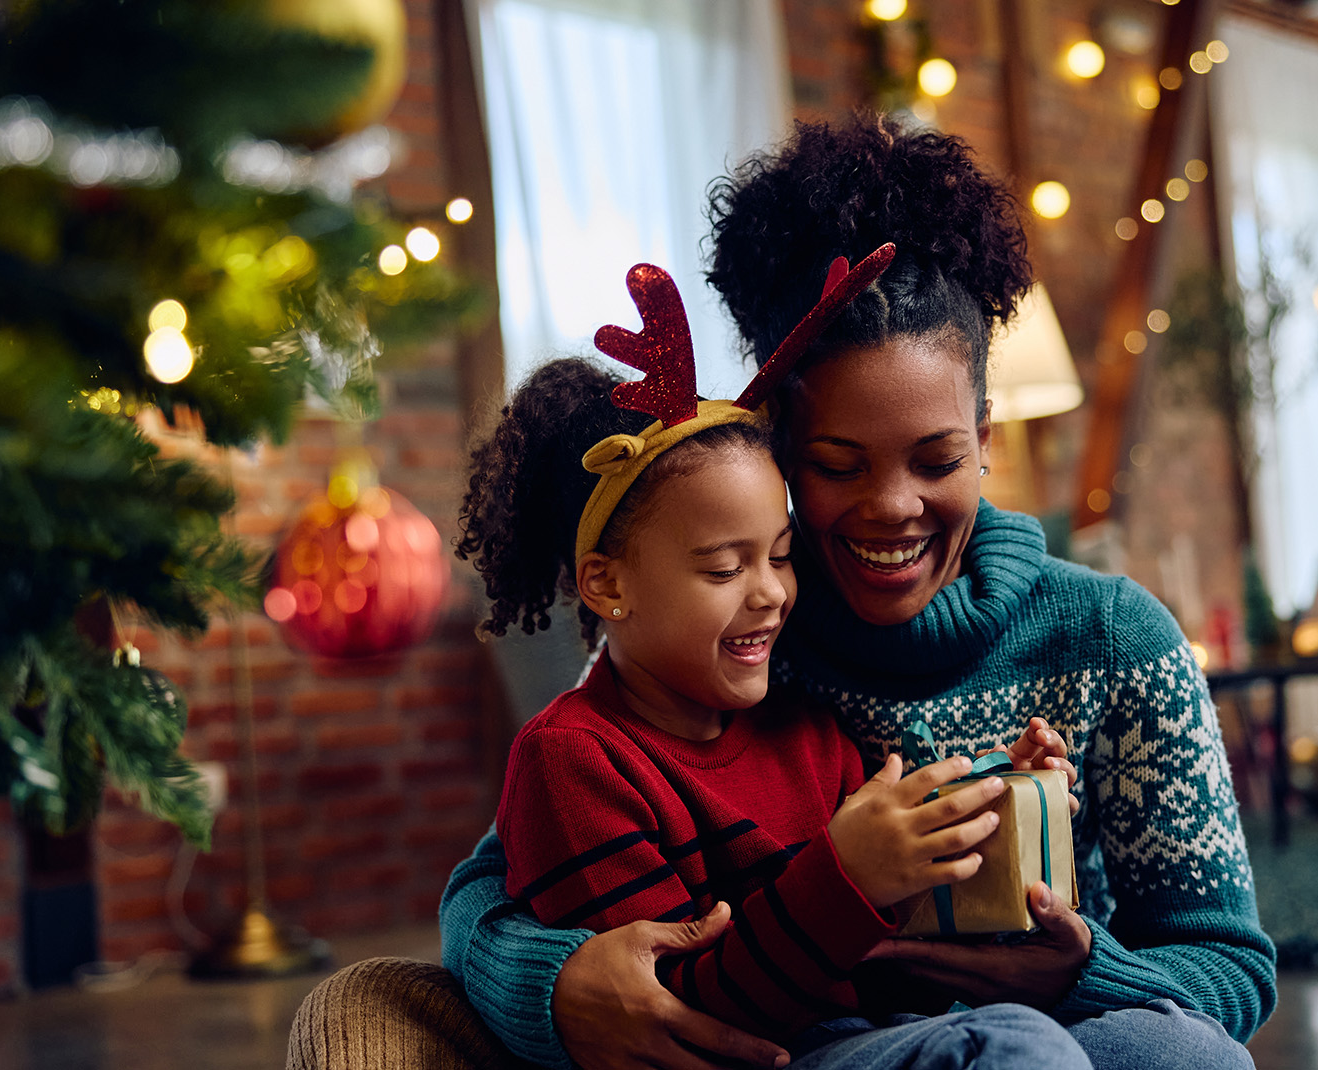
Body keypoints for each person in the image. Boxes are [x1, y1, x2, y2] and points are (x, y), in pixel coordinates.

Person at [441, 116, 1274, 1070]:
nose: (891, 509)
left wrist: (1072, 967)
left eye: (937, 459)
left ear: (986, 437)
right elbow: (496, 876)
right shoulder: (736, 646)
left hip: (1052, 1027)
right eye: (837, 464)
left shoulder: (1114, 638)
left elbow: (1231, 965)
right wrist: (548, 983)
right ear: (777, 447)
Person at [458, 254, 1094, 1067]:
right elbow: (671, 1015)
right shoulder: (574, 764)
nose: (771, 595)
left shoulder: (806, 730)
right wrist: (849, 875)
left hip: (870, 1038)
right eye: (725, 569)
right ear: (607, 584)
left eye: (782, 556)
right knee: (1014, 1049)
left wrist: (988, 804)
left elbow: (889, 949)